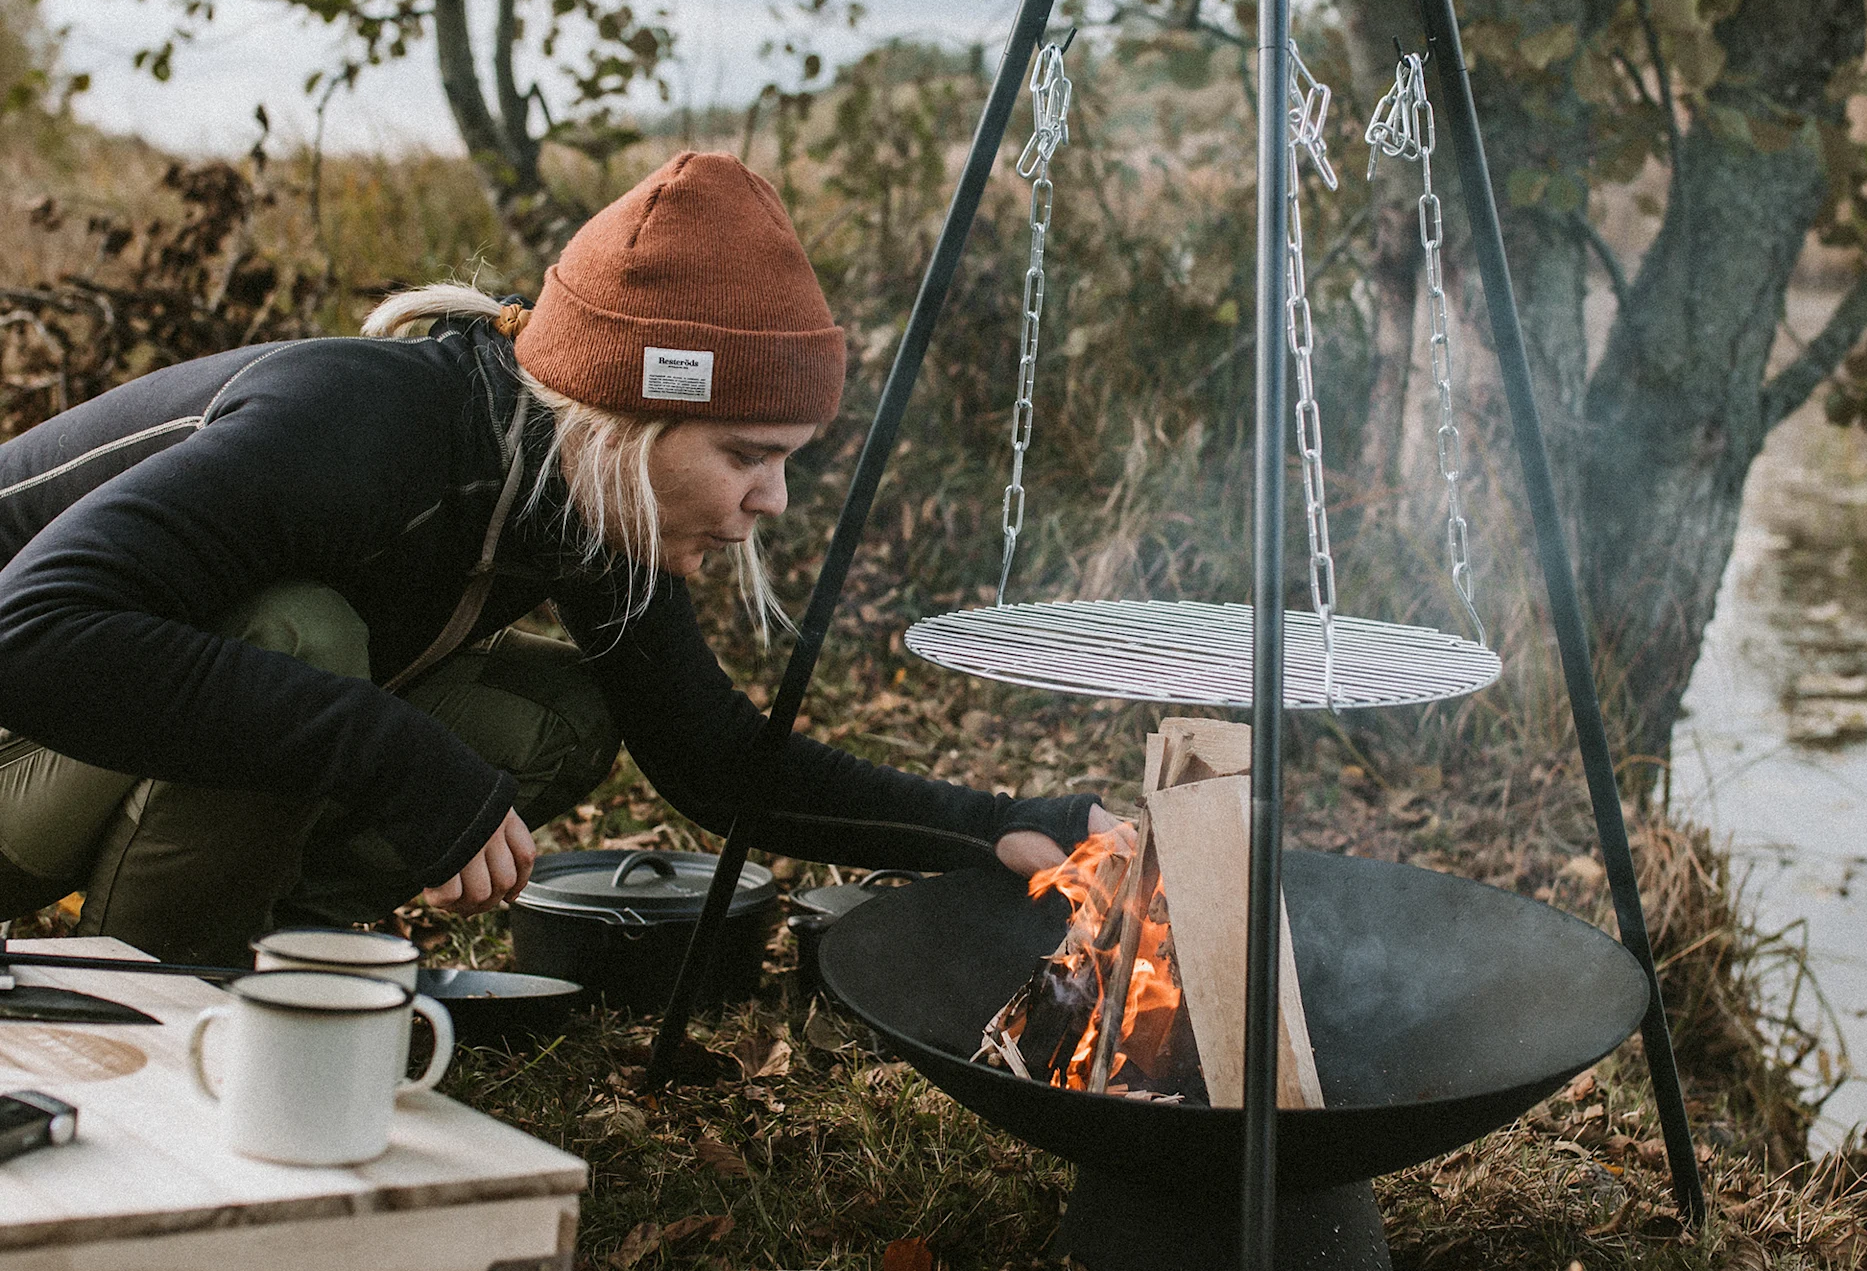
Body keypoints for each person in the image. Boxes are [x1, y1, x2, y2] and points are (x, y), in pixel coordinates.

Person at [0, 150, 1106, 964]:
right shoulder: (354, 428)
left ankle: (267, 943)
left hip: (88, 745)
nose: (770, 501)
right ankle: (159, 1003)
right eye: (748, 457)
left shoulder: (586, 494)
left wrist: (997, 826)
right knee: (307, 635)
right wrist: (396, 758)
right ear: (625, 417)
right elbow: (29, 636)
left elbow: (712, 761)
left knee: (564, 714)